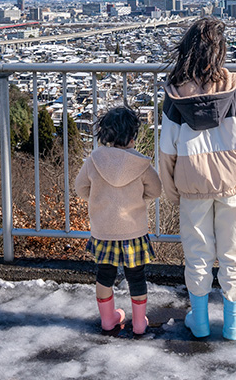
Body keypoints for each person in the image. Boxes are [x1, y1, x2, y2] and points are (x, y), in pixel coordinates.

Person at [159, 17, 236, 340]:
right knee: (233, 252)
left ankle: (200, 321)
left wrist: (172, 190)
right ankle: (232, 322)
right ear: (220, 52)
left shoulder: (176, 96)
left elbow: (166, 152)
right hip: (233, 182)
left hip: (192, 187)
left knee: (197, 253)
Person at [75, 105, 161, 335]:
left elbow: (80, 187)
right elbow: (156, 189)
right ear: (133, 135)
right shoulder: (141, 164)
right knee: (136, 276)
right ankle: (140, 323)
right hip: (133, 230)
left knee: (104, 275)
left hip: (104, 230)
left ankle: (108, 320)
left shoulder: (94, 160)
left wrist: (98, 198)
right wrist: (137, 197)